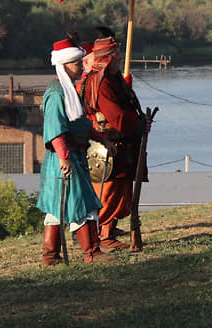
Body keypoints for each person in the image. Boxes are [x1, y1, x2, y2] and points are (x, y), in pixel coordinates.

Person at [37, 37, 112, 264]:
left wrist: (101, 138)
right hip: (64, 158)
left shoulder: (68, 90)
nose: (81, 67)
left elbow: (78, 123)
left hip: (71, 155)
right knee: (81, 203)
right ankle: (91, 253)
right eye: (78, 63)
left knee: (58, 208)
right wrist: (64, 158)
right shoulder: (57, 93)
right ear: (66, 64)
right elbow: (55, 129)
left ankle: (50, 256)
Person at [77, 32, 147, 251]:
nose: (119, 58)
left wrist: (138, 122)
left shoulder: (112, 79)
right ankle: (100, 237)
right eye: (116, 54)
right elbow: (116, 116)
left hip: (120, 145)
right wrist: (137, 124)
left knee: (118, 192)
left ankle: (107, 234)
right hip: (107, 147)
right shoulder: (101, 82)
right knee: (107, 193)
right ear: (107, 57)